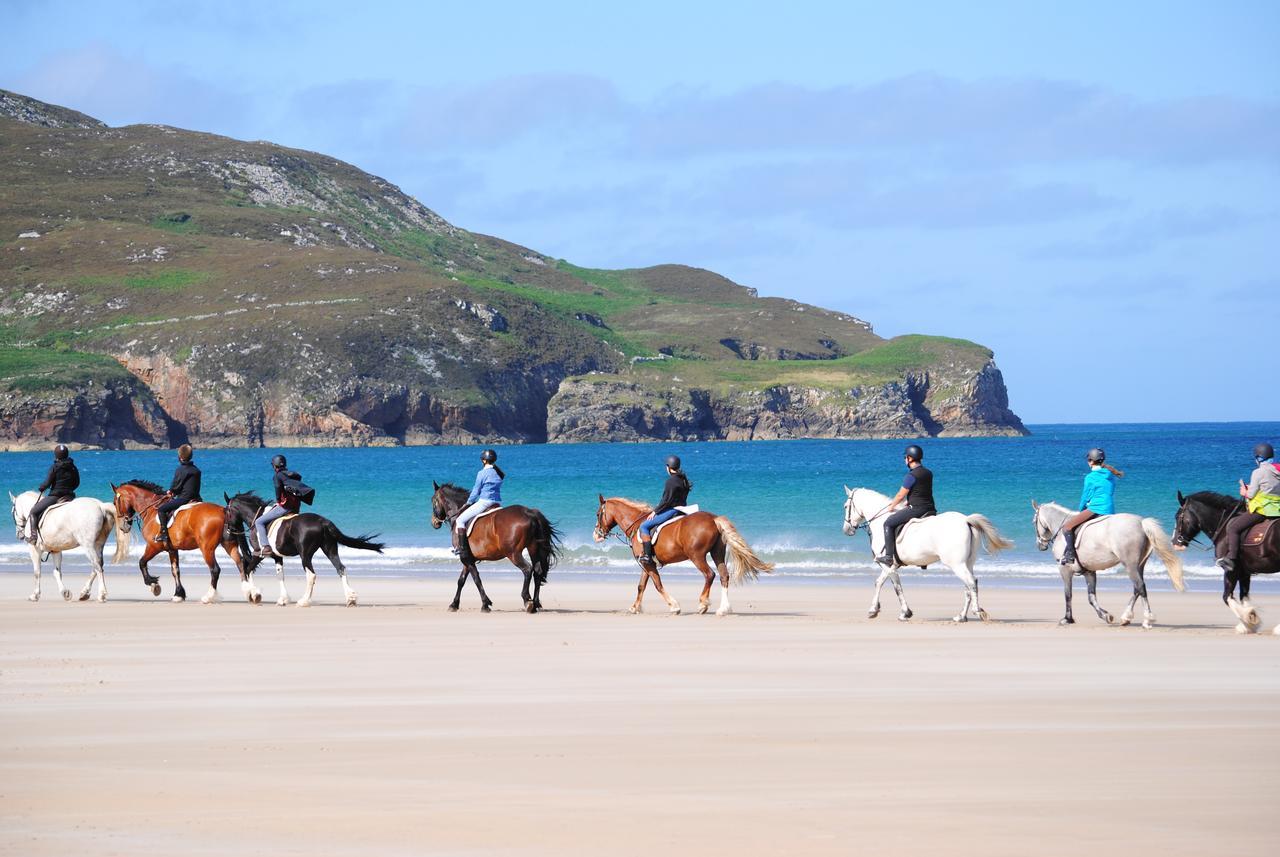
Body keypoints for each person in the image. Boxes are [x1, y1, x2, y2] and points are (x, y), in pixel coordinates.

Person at [1217, 442, 1280, 572]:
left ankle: (1231, 558)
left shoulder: (1258, 472)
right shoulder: (1277, 470)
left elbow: (1251, 495)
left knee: (1234, 528)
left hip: (1264, 510)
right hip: (1278, 509)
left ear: (1258, 458)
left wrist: (1244, 491)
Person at [1060, 447, 1123, 566]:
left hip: (1096, 509)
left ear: (1091, 461)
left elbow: (1085, 497)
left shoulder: (1090, 477)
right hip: (1110, 509)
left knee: (1067, 527)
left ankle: (1070, 555)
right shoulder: (1111, 475)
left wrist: (1082, 509)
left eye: (1088, 460)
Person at [876, 444, 936, 567]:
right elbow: (922, 490)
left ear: (910, 458)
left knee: (888, 523)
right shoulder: (928, 473)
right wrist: (911, 500)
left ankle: (888, 557)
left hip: (917, 509)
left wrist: (892, 506)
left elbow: (900, 495)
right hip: (930, 508)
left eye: (905, 457)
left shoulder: (911, 475)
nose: (905, 460)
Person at [638, 455, 692, 565]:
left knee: (644, 526)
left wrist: (655, 511)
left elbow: (666, 501)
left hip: (672, 510)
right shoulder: (683, 479)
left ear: (668, 467)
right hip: (683, 509)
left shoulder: (671, 481)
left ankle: (648, 556)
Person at [454, 449, 504, 564]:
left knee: (460, 520)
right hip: (496, 502)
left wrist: (468, 503)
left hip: (485, 502)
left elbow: (476, 491)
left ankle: (462, 549)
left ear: (484, 460)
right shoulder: (499, 474)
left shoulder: (481, 473)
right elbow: (501, 475)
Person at [26, 444, 80, 544]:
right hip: (69, 495)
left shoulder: (55, 467)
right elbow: (77, 483)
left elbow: (47, 483)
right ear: (67, 454)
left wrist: (42, 487)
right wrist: (69, 489)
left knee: (33, 512)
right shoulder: (73, 467)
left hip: (56, 496)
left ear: (56, 455)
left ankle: (33, 537)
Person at [254, 454, 305, 557]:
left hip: (285, 507)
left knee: (259, 522)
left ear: (274, 466)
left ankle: (266, 547)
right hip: (296, 507)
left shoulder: (278, 476)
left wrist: (278, 501)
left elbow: (278, 490)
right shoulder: (295, 475)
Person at [154, 444, 201, 546]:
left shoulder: (180, 469)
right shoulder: (196, 470)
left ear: (180, 457)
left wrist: (170, 491)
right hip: (197, 498)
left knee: (161, 509)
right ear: (191, 456)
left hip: (184, 499)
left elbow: (176, 486)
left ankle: (164, 534)